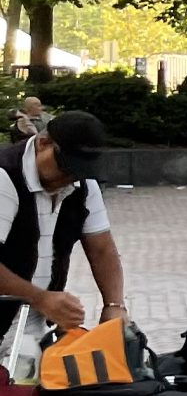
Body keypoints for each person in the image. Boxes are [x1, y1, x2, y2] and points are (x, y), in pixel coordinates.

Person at [0, 110, 128, 345]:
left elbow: (102, 249)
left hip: (33, 322)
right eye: (65, 167)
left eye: (79, 171)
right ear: (43, 143)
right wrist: (40, 298)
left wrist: (114, 305)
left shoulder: (82, 184)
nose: (69, 178)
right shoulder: (5, 175)